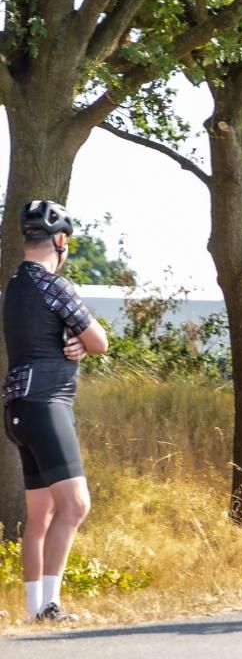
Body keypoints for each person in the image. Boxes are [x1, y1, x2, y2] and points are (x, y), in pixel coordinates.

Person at [2, 200, 109, 622]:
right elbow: (100, 341)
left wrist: (73, 343)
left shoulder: (13, 288)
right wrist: (84, 342)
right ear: (60, 240)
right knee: (76, 505)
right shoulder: (54, 286)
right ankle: (49, 605)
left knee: (41, 516)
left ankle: (34, 611)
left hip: (18, 409)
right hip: (47, 404)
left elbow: (43, 335)